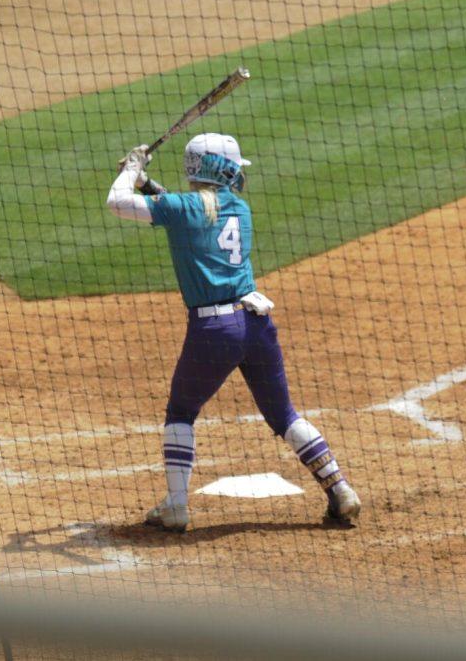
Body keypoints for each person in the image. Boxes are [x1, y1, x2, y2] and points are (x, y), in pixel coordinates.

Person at [106, 133, 361, 532]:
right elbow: (187, 210)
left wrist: (132, 172)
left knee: (181, 411)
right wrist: (144, 183)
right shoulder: (239, 209)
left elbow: (117, 204)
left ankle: (176, 505)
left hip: (213, 330)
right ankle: (340, 489)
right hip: (256, 324)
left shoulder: (188, 209)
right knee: (283, 414)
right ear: (220, 170)